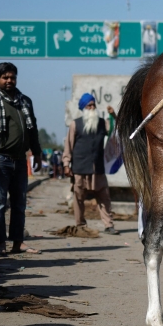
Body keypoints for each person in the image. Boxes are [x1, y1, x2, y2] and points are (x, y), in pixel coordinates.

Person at [0, 62, 43, 254]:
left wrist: (37, 153)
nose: (9, 80)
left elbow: (33, 130)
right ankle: (0, 244)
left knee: (19, 203)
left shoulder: (25, 102)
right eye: (5, 77)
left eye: (12, 77)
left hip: (20, 160)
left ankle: (18, 242)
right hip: (0, 160)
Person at [63, 93, 119, 235]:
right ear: (84, 108)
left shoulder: (102, 123)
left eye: (93, 105)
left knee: (104, 197)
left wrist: (113, 115)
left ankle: (109, 225)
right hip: (80, 167)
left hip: (97, 168)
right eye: (89, 105)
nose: (92, 107)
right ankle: (80, 224)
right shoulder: (75, 124)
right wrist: (66, 164)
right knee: (78, 198)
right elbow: (68, 145)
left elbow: (115, 130)